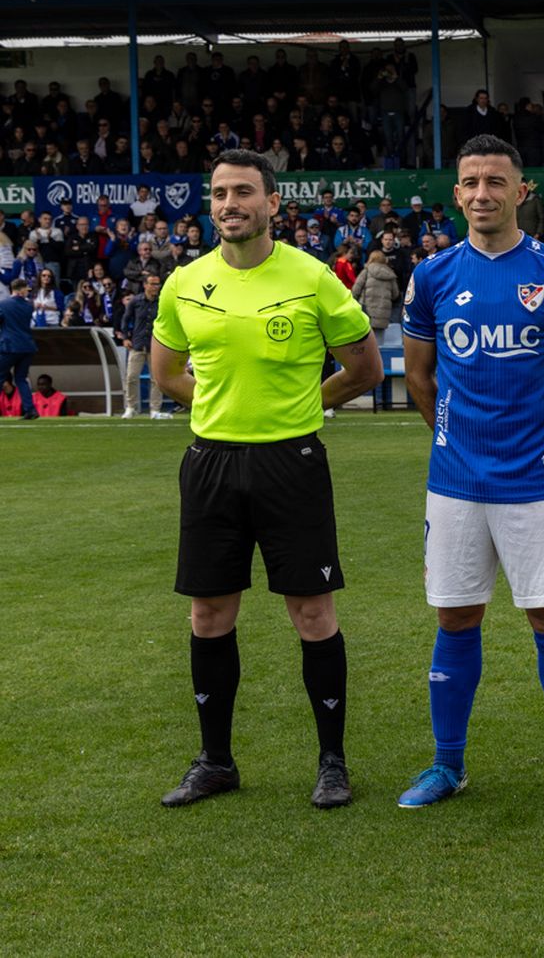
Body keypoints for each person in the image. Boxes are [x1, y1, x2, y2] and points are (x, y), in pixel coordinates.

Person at [149, 149, 382, 809]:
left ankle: (332, 762)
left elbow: (364, 368)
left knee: (312, 611)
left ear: (273, 203)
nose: (229, 203)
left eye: (244, 192)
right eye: (220, 193)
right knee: (208, 611)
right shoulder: (185, 282)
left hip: (292, 462)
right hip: (211, 462)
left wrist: (308, 406)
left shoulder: (312, 278)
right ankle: (215, 760)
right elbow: (167, 372)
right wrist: (219, 409)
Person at [396, 135, 544, 810]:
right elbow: (422, 379)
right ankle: (447, 764)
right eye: (470, 182)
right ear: (455, 194)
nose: (482, 193)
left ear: (521, 192)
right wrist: (455, 440)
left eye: (496, 181)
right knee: (456, 616)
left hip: (535, 483)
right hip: (455, 482)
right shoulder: (431, 276)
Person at [120, 273, 169, 418]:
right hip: (137, 343)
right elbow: (126, 319)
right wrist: (125, 337)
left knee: (156, 379)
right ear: (145, 285)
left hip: (155, 345)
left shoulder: (162, 302)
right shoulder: (136, 301)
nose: (156, 287)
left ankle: (155, 409)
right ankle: (130, 406)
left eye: (157, 284)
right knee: (131, 377)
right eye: (153, 284)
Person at [0, 277, 38, 419]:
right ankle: (30, 410)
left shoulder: (3, 304)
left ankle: (30, 410)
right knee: (21, 378)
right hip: (27, 346)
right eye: (26, 290)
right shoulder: (29, 306)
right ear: (21, 290)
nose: (27, 292)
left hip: (9, 346)